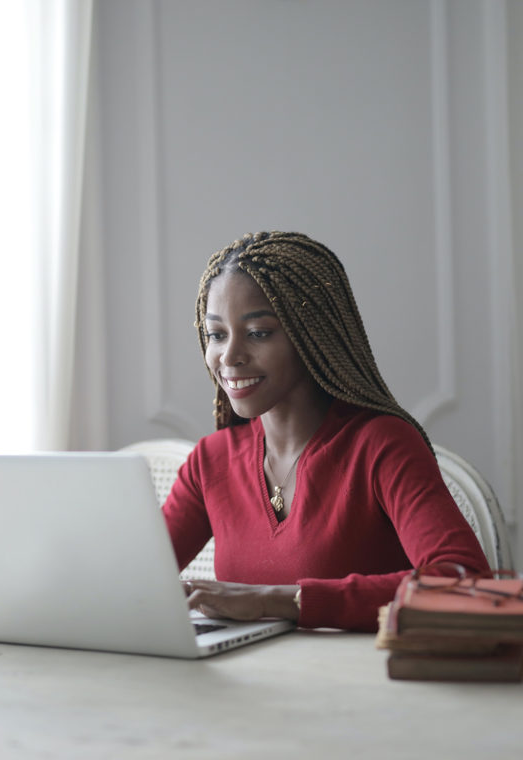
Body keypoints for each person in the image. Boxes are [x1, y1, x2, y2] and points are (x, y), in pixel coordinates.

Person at [161, 231, 490, 631]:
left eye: (258, 333)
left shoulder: (382, 445)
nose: (229, 356)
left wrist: (277, 601)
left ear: (311, 334)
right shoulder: (210, 461)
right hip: (244, 685)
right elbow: (133, 579)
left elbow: (466, 583)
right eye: (217, 334)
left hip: (361, 685)